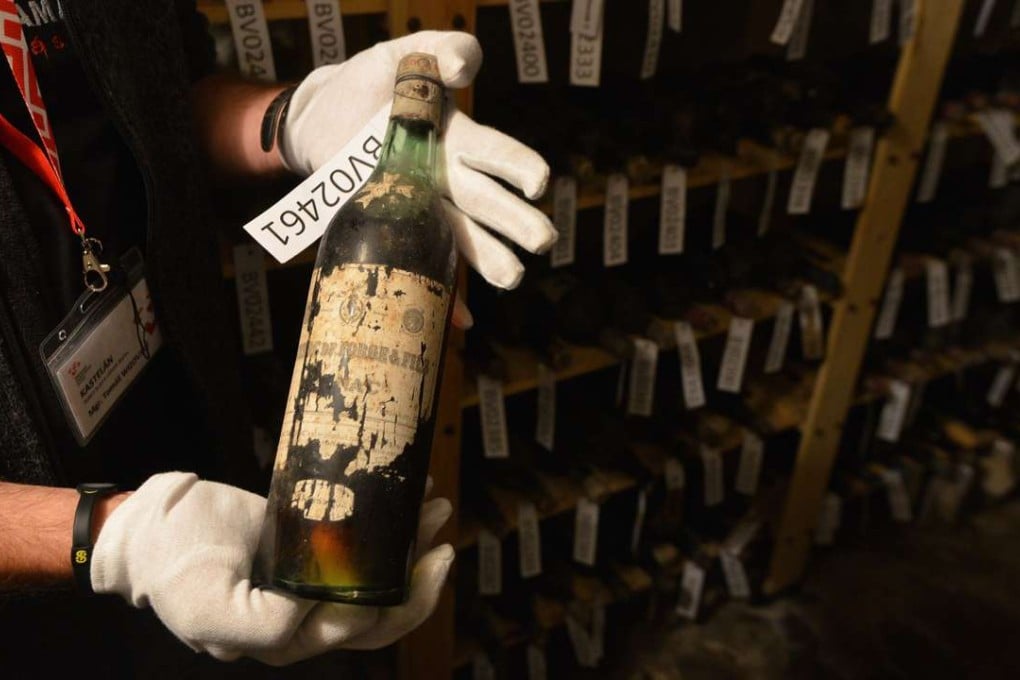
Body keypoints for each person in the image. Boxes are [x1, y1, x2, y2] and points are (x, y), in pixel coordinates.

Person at [0, 0, 555, 674]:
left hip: (197, 463)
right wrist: (109, 537)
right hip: (36, 595)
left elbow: (170, 99)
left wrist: (291, 120)